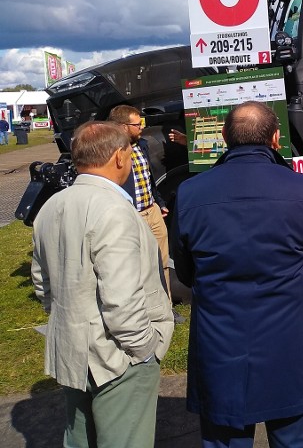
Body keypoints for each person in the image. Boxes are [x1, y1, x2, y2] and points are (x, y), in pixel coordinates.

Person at [170, 101, 303, 447]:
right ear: (276, 138)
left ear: (225, 137)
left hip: (221, 344)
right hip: (292, 342)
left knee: (225, 438)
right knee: (296, 439)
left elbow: (185, 272)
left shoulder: (189, 194)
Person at [31, 121, 174, 448]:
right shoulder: (114, 210)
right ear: (119, 157)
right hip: (118, 356)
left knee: (80, 440)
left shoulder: (51, 207)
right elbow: (121, 302)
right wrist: (145, 349)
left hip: (73, 349)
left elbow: (43, 284)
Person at [108, 105, 173, 301]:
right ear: (122, 127)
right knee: (136, 264)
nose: (142, 127)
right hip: (131, 215)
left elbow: (148, 178)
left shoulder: (142, 145)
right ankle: (142, 306)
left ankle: (166, 304)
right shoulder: (111, 152)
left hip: (152, 211)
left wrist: (158, 202)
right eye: (137, 124)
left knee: (162, 260)